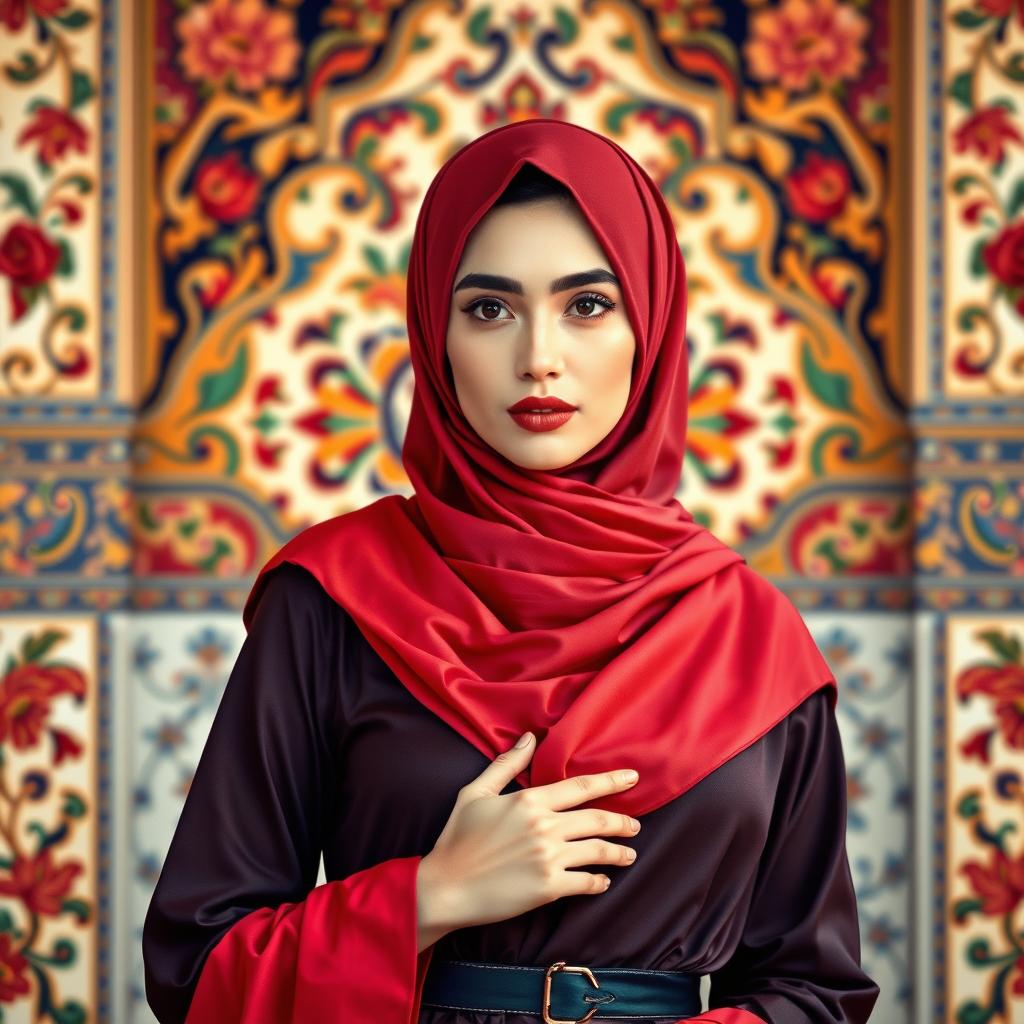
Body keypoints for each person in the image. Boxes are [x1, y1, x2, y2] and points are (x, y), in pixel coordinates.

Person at [142, 119, 880, 1024]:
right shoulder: (333, 597)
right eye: (489, 308)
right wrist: (428, 899)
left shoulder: (750, 636)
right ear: (434, 333)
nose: (539, 356)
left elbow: (816, 989)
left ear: (650, 326)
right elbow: (197, 968)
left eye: (588, 305)